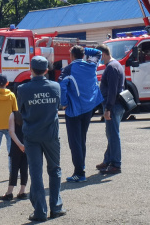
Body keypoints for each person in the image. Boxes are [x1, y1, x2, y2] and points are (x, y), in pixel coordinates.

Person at [17, 56, 66, 222]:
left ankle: (40, 211)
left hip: (31, 136)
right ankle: (56, 206)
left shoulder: (23, 89)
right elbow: (57, 106)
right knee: (55, 170)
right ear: (46, 70)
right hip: (51, 135)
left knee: (36, 173)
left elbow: (21, 110)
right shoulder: (55, 87)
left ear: (31, 69)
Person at [59, 45, 103, 182]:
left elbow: (61, 86)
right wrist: (84, 49)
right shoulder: (91, 65)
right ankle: (81, 168)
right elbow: (98, 52)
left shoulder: (69, 68)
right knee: (82, 139)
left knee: (75, 141)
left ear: (72, 56)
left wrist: (64, 103)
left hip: (74, 110)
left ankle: (79, 172)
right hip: (89, 107)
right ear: (83, 55)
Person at [97, 44, 125, 175]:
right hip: (115, 104)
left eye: (98, 56)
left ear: (103, 54)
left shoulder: (112, 67)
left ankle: (115, 164)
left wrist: (108, 108)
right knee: (111, 134)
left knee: (113, 135)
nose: (98, 59)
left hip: (113, 105)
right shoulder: (115, 65)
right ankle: (108, 160)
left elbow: (113, 90)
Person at [0, 73, 17, 180]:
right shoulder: (11, 96)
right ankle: (12, 171)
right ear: (7, 83)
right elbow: (15, 110)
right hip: (10, 126)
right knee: (11, 150)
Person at [0, 110, 28, 201]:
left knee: (14, 169)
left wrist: (19, 145)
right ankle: (22, 191)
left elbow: (11, 132)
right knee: (24, 169)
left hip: (16, 146)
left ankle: (9, 192)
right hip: (27, 145)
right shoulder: (29, 112)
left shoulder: (14, 114)